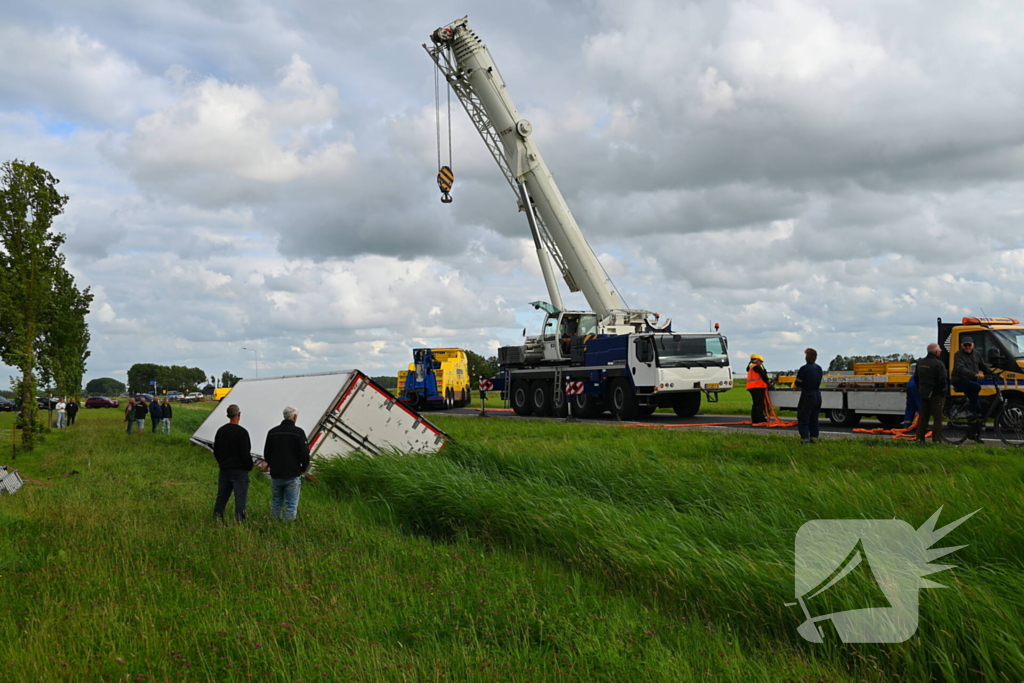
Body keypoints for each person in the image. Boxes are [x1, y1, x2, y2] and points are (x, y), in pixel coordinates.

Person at [263, 406, 309, 521]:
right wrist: (303, 468)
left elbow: (267, 453)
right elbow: (304, 453)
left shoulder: (272, 432)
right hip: (293, 473)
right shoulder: (299, 432)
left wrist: (272, 464)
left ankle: (274, 524)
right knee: (291, 504)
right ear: (294, 417)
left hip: (276, 473)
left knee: (276, 502)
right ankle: (287, 527)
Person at [213, 404, 252, 522]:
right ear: (239, 415)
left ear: (227, 415)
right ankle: (240, 520)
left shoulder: (221, 431)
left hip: (225, 469)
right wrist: (249, 466)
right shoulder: (242, 433)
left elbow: (216, 450)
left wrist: (222, 462)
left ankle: (217, 518)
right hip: (240, 471)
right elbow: (246, 453)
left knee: (222, 497)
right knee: (240, 499)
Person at [915, 343, 948, 443]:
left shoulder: (920, 363)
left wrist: (922, 388)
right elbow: (942, 379)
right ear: (937, 352)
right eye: (940, 350)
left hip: (923, 393)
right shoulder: (938, 364)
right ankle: (937, 440)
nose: (941, 351)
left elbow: (916, 378)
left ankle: (920, 439)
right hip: (935, 394)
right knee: (937, 418)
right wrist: (942, 391)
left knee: (924, 417)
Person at [951, 336, 990, 416]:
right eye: (965, 345)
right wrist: (975, 374)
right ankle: (970, 411)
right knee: (976, 387)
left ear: (973, 345)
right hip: (959, 380)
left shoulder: (977, 354)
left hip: (971, 380)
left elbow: (983, 366)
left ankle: (975, 419)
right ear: (962, 346)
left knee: (978, 407)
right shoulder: (958, 355)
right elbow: (960, 368)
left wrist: (994, 374)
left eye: (969, 345)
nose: (967, 347)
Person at [795, 348, 823, 444]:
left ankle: (805, 440)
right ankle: (814, 439)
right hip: (817, 396)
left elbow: (798, 382)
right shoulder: (819, 368)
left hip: (807, 395)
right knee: (814, 419)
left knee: (803, 419)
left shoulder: (804, 368)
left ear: (807, 357)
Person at [746, 354, 769, 424]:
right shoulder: (757, 367)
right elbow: (764, 376)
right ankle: (760, 419)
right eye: (761, 361)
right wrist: (768, 382)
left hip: (752, 387)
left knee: (756, 404)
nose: (762, 363)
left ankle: (755, 419)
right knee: (759, 404)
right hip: (757, 387)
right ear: (757, 360)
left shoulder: (750, 367)